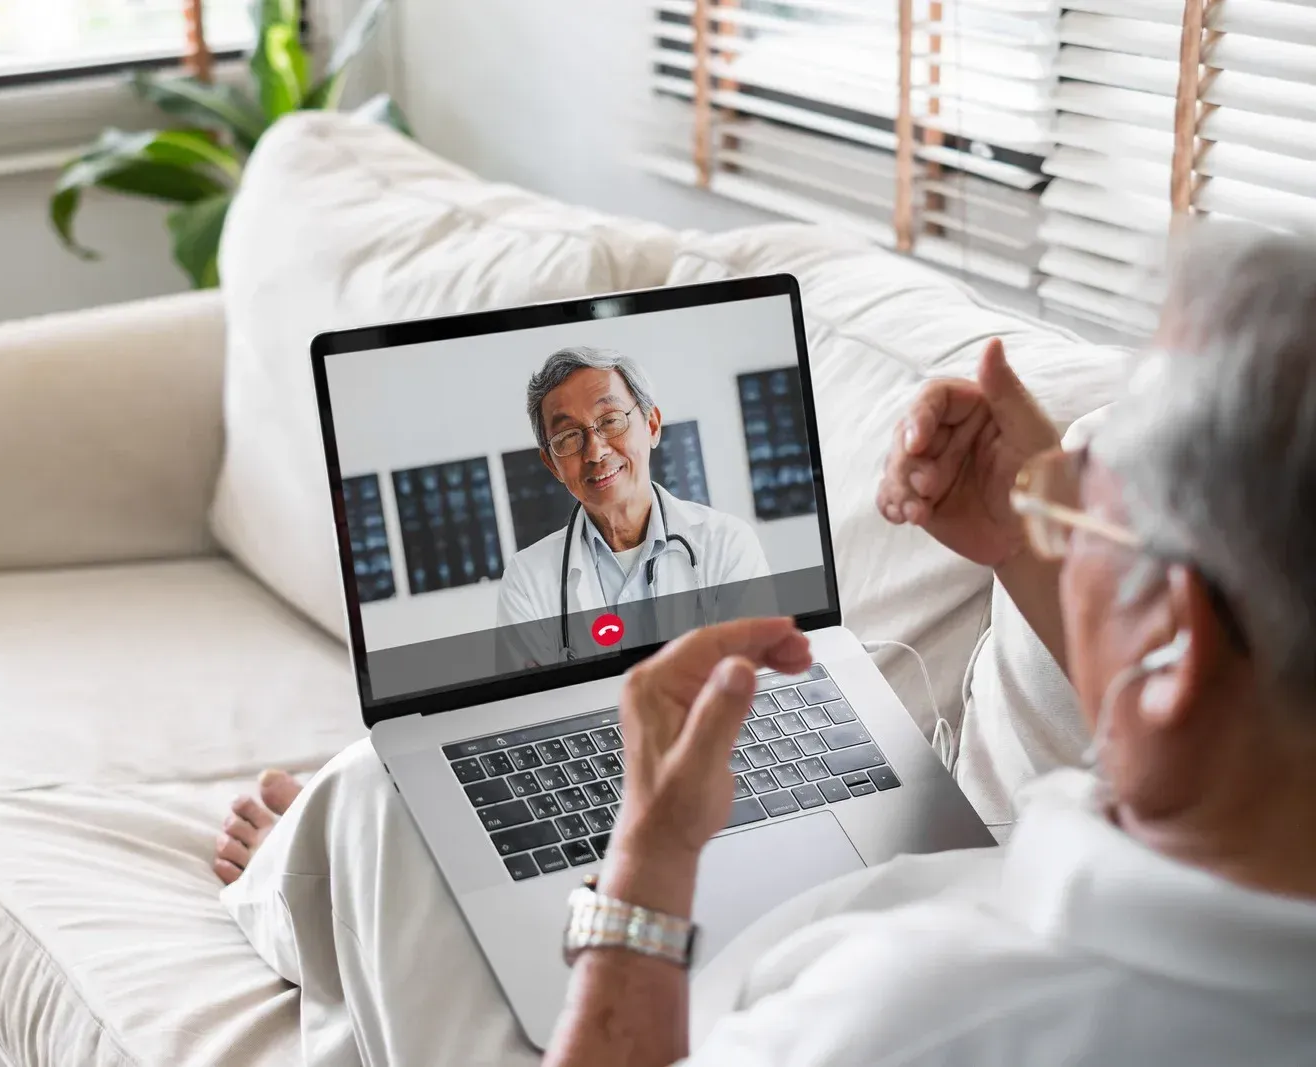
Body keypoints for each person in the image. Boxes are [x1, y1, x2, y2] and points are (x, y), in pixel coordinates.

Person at [214, 226, 1316, 1066]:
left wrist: (646, 853)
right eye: (565, 437)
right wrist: (1036, 549)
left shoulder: (916, 1017)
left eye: (1084, 519)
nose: (592, 450)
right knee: (388, 811)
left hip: (688, 974)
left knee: (373, 803)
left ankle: (302, 886)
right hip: (885, 881)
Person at [494, 346, 771, 658]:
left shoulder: (727, 543)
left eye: (610, 421)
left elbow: (753, 682)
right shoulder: (526, 580)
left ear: (652, 425)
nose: (595, 452)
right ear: (551, 465)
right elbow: (533, 705)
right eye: (568, 437)